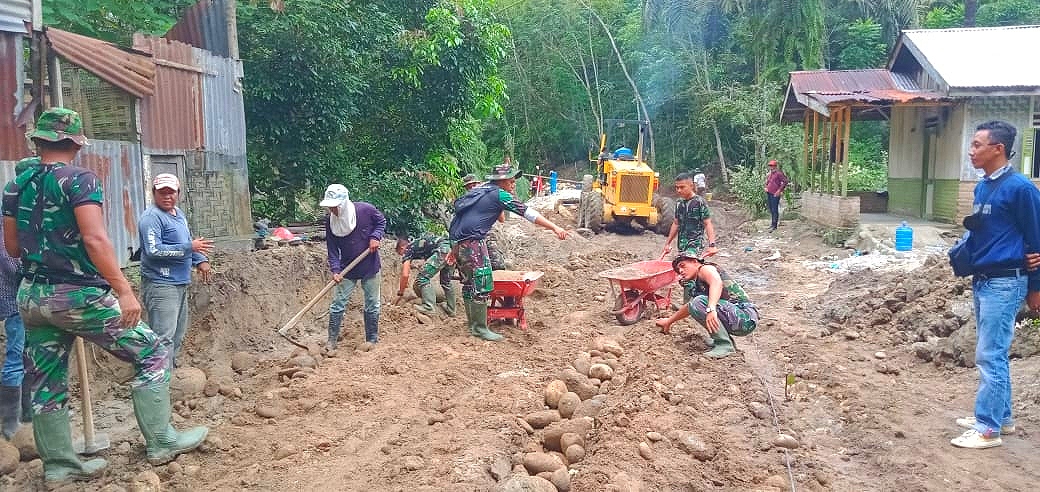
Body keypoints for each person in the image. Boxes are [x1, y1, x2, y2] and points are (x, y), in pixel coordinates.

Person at [2, 108, 207, 483]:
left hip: (32, 296)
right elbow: (95, 238)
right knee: (152, 351)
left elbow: (12, 247)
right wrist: (124, 291)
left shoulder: (17, 185)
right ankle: (162, 441)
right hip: (78, 295)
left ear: (38, 141)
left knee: (47, 381)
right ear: (77, 143)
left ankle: (60, 466)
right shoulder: (80, 180)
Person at [949, 121, 1040, 449]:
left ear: (997, 149)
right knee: (993, 352)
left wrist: (1035, 288)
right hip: (984, 280)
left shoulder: (1021, 189)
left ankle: (988, 430)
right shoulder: (983, 187)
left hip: (1006, 281)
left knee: (991, 354)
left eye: (976, 145)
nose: (971, 151)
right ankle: (1002, 418)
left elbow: (1036, 239)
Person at [448, 163, 568, 341]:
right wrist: (554, 227)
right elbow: (528, 213)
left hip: (459, 241)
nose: (513, 184)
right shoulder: (499, 194)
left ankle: (473, 325)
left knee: (467, 284)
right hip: (474, 243)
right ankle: (480, 328)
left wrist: (454, 249)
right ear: (501, 181)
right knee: (483, 283)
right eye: (511, 180)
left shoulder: (480, 191)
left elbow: (466, 219)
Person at [138, 173, 213, 364]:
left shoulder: (177, 214)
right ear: (154, 193)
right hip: (161, 284)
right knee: (163, 337)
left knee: (177, 333)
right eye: (162, 192)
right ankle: (159, 382)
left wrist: (199, 259)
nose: (167, 196)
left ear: (178, 193)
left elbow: (186, 242)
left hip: (179, 282)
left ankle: (169, 375)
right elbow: (154, 250)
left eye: (171, 192)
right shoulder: (151, 218)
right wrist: (190, 248)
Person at [654, 252, 759, 358]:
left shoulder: (705, 269)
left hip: (745, 317)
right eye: (678, 270)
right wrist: (669, 321)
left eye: (682, 265)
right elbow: (690, 306)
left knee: (699, 302)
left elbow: (716, 282)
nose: (680, 271)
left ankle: (724, 344)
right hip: (737, 318)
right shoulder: (698, 284)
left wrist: (711, 309)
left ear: (694, 262)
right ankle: (726, 341)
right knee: (696, 303)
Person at [321, 184, 385, 351]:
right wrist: (335, 269)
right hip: (347, 268)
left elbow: (381, 221)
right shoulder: (330, 222)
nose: (332, 210)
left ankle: (371, 339)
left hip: (370, 265)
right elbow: (332, 248)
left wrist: (375, 237)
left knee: (372, 303)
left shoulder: (365, 210)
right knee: (337, 304)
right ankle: (331, 341)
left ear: (342, 203)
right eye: (330, 207)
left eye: (334, 207)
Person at [0, 194, 29, 439]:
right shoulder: (6, 224)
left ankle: (30, 414)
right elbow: (12, 264)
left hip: (32, 301)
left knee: (31, 356)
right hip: (15, 302)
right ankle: (10, 424)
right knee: (16, 358)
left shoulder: (27, 220)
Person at [396, 234, 455, 316]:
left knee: (422, 278)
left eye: (400, 253)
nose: (403, 256)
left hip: (442, 250)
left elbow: (405, 275)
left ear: (402, 248)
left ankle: (429, 307)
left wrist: (401, 292)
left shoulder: (408, 249)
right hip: (452, 250)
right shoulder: (419, 244)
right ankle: (451, 309)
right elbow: (428, 262)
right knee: (446, 282)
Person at [662, 172, 717, 259]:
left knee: (688, 264)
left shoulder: (699, 202)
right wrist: (667, 244)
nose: (679, 190)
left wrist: (712, 245)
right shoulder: (679, 203)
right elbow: (676, 223)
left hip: (695, 244)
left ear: (691, 186)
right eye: (677, 187)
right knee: (683, 266)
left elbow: (707, 223)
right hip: (682, 244)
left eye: (682, 187)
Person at [763, 160, 789, 232]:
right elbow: (767, 182)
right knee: (771, 209)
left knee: (774, 209)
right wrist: (766, 187)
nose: (771, 167)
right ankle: (772, 224)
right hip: (769, 193)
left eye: (772, 166)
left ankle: (774, 225)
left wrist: (779, 190)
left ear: (775, 166)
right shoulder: (770, 174)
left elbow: (785, 181)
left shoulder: (779, 174)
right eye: (770, 166)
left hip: (775, 193)